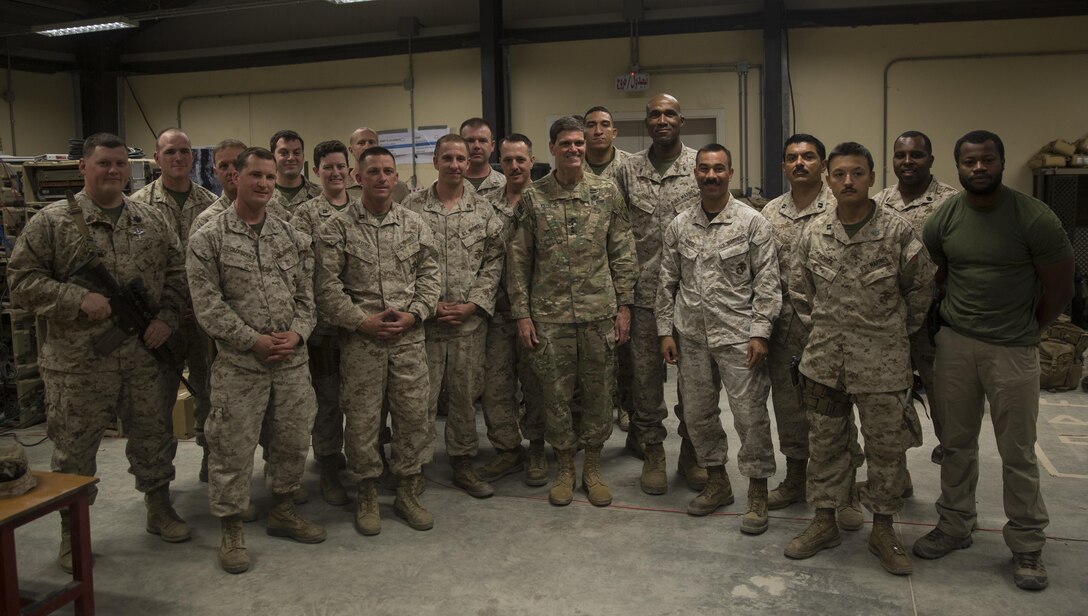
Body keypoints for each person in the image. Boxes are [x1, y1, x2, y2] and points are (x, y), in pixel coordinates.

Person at [8, 132, 190, 573]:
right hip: (78, 365)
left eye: (120, 165)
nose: (113, 171)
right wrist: (75, 299)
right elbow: (21, 281)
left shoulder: (150, 219)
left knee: (153, 435)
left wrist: (166, 318)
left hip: (143, 356)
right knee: (74, 450)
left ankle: (158, 506)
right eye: (104, 163)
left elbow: (177, 274)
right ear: (83, 168)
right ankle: (73, 534)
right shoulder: (52, 222)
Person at [915, 130, 1073, 591]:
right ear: (958, 167)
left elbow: (1060, 288)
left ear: (1001, 163)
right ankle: (955, 525)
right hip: (958, 346)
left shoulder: (1034, 218)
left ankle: (1026, 544)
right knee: (957, 443)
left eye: (987, 160)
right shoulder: (944, 218)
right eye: (969, 162)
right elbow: (938, 272)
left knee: (1017, 451)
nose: (978, 168)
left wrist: (1028, 331)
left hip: (1014, 349)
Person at [784, 142, 932, 577]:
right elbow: (800, 290)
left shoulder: (898, 231)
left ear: (871, 177)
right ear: (829, 178)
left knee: (887, 450)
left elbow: (920, 291)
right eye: (841, 174)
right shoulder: (813, 233)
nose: (849, 181)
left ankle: (883, 529)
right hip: (825, 363)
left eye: (859, 173)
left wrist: (889, 334)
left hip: (883, 366)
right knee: (826, 446)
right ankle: (825, 521)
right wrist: (829, 331)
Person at [187, 147, 325, 574]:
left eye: (270, 177)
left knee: (291, 439)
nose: (264, 184)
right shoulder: (208, 238)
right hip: (240, 365)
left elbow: (308, 298)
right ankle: (231, 528)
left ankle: (283, 508)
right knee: (232, 446)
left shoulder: (291, 236)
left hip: (290, 362)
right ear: (235, 178)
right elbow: (207, 307)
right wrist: (253, 341)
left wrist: (299, 332)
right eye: (255, 176)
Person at [507, 116, 638, 507]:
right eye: (566, 143)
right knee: (555, 395)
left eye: (579, 143)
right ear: (552, 148)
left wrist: (625, 306)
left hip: (599, 313)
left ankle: (592, 467)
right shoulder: (534, 197)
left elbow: (622, 251)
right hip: (550, 318)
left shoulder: (607, 192)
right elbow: (518, 261)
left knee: (600, 393)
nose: (575, 150)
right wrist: (523, 315)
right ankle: (564, 466)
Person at [315, 146, 440, 534]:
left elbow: (431, 276)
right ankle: (366, 491)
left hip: (407, 339)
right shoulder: (336, 228)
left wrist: (415, 312)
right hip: (361, 343)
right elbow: (326, 288)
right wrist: (360, 321)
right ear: (358, 176)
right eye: (374, 172)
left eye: (389, 171)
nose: (383, 178)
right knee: (363, 421)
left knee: (412, 416)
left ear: (396, 176)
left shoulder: (414, 223)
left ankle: (406, 489)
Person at [657, 144, 781, 533]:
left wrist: (760, 333)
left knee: (750, 418)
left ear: (730, 172)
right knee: (697, 415)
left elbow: (768, 283)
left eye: (719, 169)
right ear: (694, 173)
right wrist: (665, 331)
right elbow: (667, 282)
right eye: (704, 169)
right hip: (691, 336)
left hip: (739, 339)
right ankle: (717, 482)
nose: (711, 176)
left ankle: (757, 490)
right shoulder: (679, 224)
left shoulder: (752, 223)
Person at [403, 134, 505, 499]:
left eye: (460, 159)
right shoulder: (411, 208)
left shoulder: (483, 210)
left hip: (468, 324)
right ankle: (414, 467)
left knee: (464, 398)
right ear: (435, 161)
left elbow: (494, 262)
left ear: (468, 163)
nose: (455, 165)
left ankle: (463, 463)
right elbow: (403, 265)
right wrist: (427, 306)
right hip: (425, 326)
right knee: (420, 400)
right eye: (447, 158)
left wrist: (473, 305)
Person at [614, 93, 703, 494]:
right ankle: (652, 450)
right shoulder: (628, 170)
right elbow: (615, 235)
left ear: (681, 121)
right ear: (646, 122)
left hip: (694, 295)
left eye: (669, 114)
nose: (661, 120)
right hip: (645, 296)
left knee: (695, 383)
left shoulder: (700, 165)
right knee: (645, 383)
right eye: (654, 114)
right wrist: (622, 300)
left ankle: (692, 451)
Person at [129, 128, 217, 479]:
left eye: (184, 152)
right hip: (157, 324)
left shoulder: (211, 203)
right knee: (155, 405)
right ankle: (158, 485)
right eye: (170, 152)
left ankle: (214, 462)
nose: (178, 158)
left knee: (210, 396)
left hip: (202, 321)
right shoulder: (137, 207)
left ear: (193, 157)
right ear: (156, 157)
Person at [873, 130, 958, 464]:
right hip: (891, 321)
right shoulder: (880, 202)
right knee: (892, 402)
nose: (907, 161)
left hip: (936, 321)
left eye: (916, 155)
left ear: (931, 160)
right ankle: (897, 477)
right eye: (900, 155)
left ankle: (955, 484)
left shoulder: (952, 202)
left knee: (945, 399)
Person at [474, 133, 548, 487]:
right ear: (497, 164)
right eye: (507, 161)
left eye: (521, 159)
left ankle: (536, 446)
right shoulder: (483, 202)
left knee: (535, 383)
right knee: (496, 383)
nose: (515, 166)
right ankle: (507, 449)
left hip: (538, 311)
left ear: (532, 161)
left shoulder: (547, 198)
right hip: (496, 310)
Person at [291, 140, 359, 506]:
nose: (335, 172)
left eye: (340, 166)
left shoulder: (362, 209)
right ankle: (330, 464)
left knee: (363, 398)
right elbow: (301, 270)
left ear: (350, 170)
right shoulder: (305, 215)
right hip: (323, 327)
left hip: (361, 324)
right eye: (327, 167)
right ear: (315, 172)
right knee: (328, 399)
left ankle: (365, 459)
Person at [583, 105, 635, 432]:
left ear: (614, 132)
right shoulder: (572, 165)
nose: (598, 130)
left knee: (627, 345)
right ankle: (595, 408)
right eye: (591, 125)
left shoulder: (631, 167)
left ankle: (627, 405)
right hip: (585, 271)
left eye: (605, 125)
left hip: (622, 260)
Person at [345, 126, 410, 202]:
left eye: (371, 142)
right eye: (361, 143)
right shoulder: (340, 186)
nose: (367, 146)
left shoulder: (399, 188)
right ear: (351, 150)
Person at [267, 129, 321, 215]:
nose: (291, 158)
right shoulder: (262, 194)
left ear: (303, 157)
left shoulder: (320, 195)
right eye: (284, 153)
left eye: (296, 153)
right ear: (272, 157)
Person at [460, 118, 507, 199]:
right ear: (461, 145)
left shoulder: (506, 184)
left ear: (492, 146)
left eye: (482, 141)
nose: (477, 146)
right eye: (470, 141)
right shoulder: (446, 185)